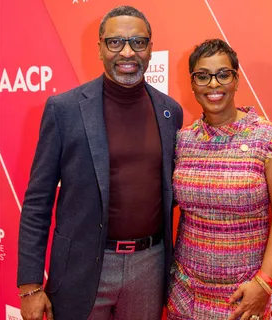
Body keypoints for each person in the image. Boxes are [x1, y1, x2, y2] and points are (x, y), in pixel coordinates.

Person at [17, 6, 183, 320]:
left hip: (149, 266)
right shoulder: (63, 109)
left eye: (138, 42)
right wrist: (30, 285)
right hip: (81, 265)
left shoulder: (169, 111)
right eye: (115, 42)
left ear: (150, 49)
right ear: (100, 48)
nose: (127, 52)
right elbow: (38, 201)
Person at [167, 39, 272, 320]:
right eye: (203, 76)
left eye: (223, 74)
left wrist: (264, 282)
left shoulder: (268, 139)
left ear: (236, 80)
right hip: (184, 292)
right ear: (192, 83)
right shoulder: (182, 141)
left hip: (241, 297)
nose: (213, 84)